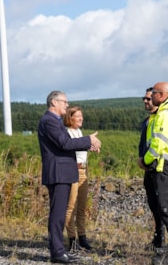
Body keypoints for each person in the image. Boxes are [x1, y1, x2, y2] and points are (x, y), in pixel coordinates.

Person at [38, 91, 101, 264]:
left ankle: (59, 250)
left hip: (62, 172)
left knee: (59, 213)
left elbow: (67, 144)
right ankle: (57, 252)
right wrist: (88, 140)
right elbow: (65, 143)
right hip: (58, 173)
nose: (67, 105)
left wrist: (87, 144)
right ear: (53, 102)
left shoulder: (54, 122)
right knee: (58, 214)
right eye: (64, 102)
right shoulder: (49, 121)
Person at [138, 82, 168, 265]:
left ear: (162, 95)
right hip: (163, 167)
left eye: (154, 94)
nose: (150, 98)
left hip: (166, 167)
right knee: (166, 208)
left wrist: (145, 161)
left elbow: (158, 144)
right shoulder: (163, 114)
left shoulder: (166, 115)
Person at [138, 87, 165, 252]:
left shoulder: (161, 120)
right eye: (144, 99)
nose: (145, 102)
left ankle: (164, 242)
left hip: (158, 169)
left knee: (162, 205)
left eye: (148, 99)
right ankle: (158, 238)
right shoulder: (147, 120)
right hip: (148, 169)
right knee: (153, 205)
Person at [63, 106, 92, 251]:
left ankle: (82, 237)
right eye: (78, 116)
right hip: (73, 170)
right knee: (71, 207)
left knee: (81, 207)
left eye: (82, 116)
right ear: (70, 118)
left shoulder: (79, 131)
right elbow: (70, 147)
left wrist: (90, 145)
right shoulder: (67, 132)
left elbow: (80, 147)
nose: (81, 118)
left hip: (83, 170)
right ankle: (71, 239)